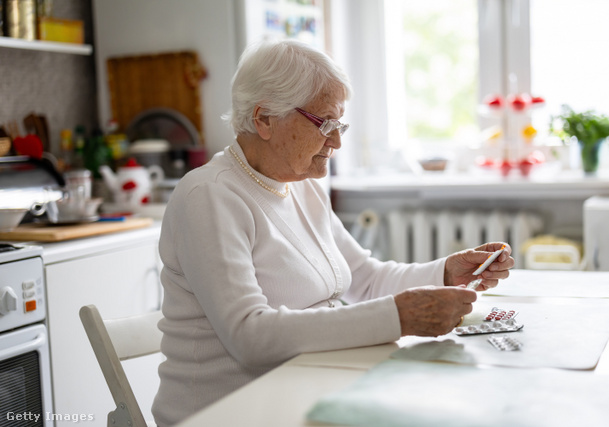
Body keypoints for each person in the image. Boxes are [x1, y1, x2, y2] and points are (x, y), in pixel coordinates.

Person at [151, 39, 514, 426]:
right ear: (264, 119)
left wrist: (445, 273)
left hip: (303, 391)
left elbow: (366, 279)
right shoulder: (209, 195)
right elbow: (249, 336)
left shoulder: (302, 185)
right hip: (227, 414)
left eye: (340, 125)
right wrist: (399, 317)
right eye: (325, 123)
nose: (337, 141)